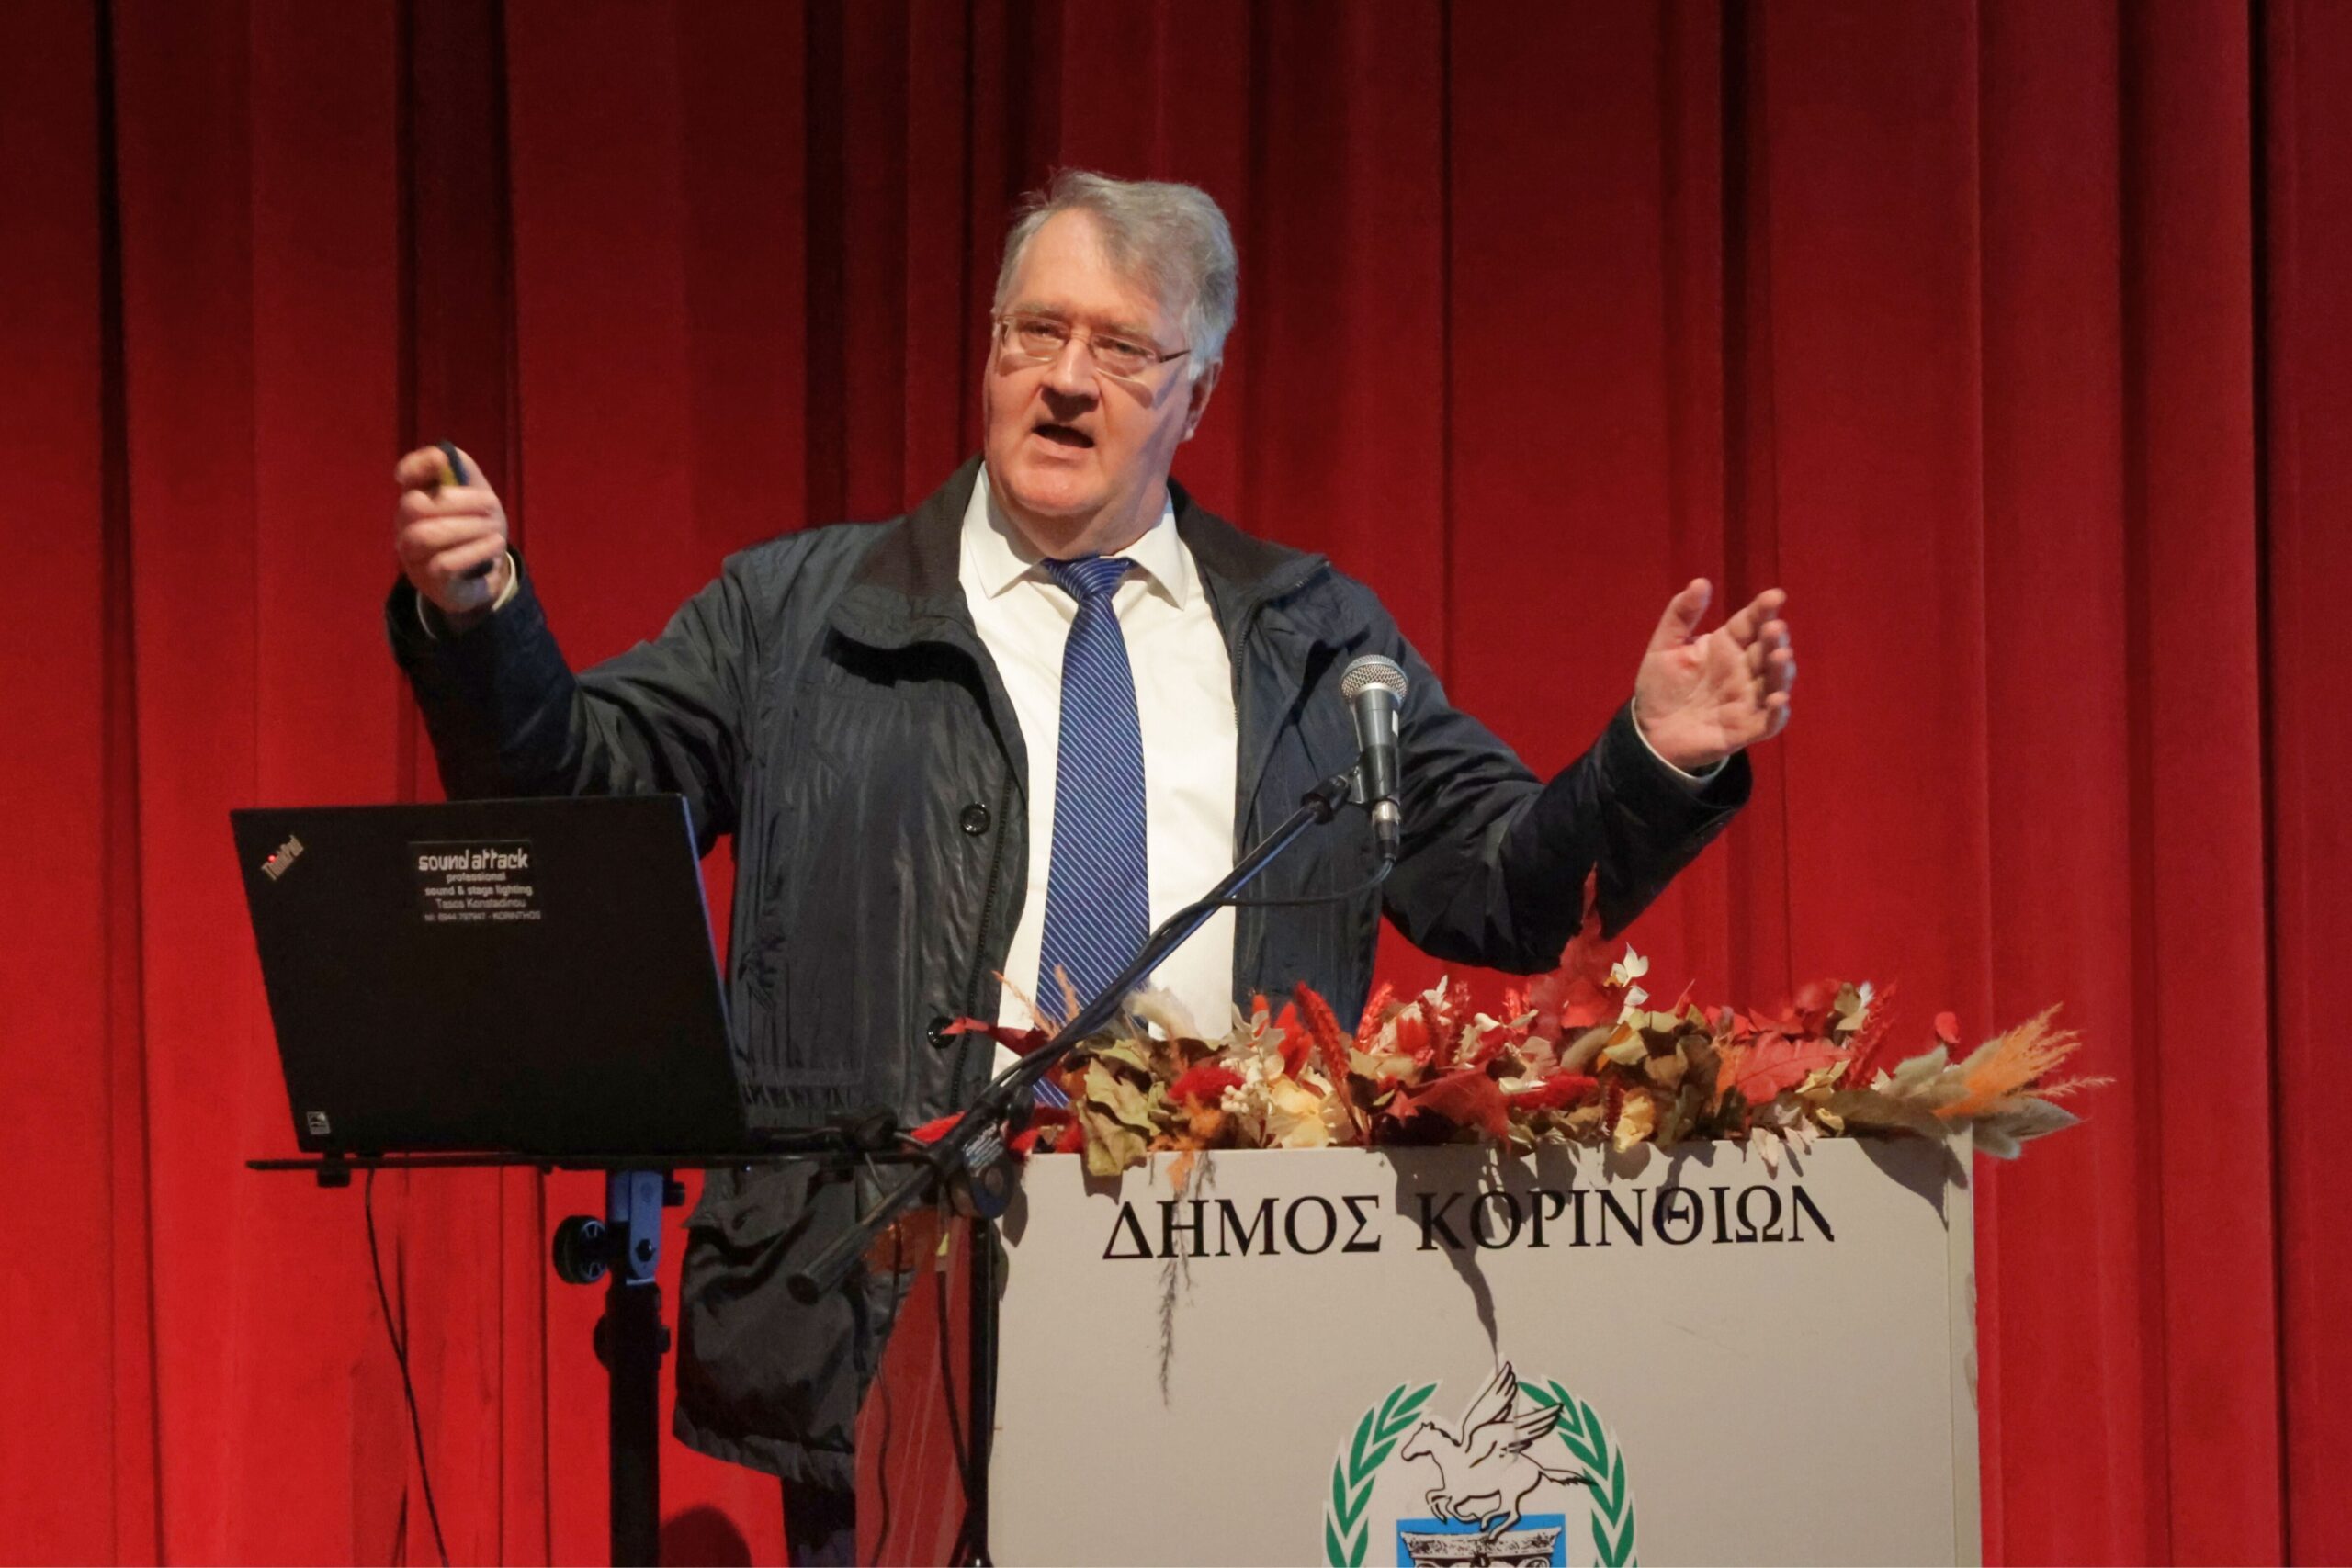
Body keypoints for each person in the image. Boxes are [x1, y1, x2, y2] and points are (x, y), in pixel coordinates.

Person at [387, 171, 1794, 1562]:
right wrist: (483, 621)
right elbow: (581, 806)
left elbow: (1502, 890)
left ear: (1197, 396)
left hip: (1235, 1290)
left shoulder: (1313, 639)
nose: (1066, 381)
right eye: (1035, 332)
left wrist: (1650, 760)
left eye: (1121, 349)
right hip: (894, 1302)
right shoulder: (799, 615)